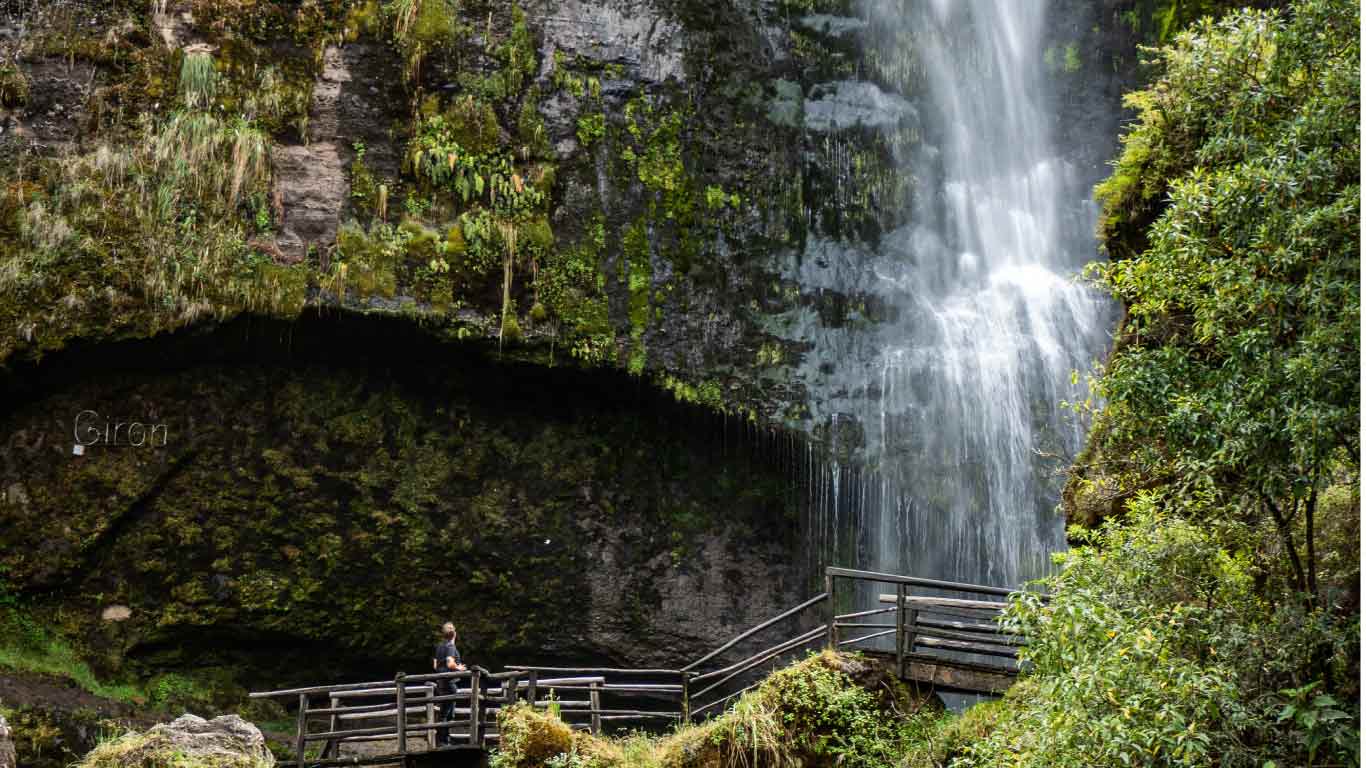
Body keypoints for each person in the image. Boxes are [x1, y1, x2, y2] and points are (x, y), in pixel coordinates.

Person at [431, 622, 466, 746]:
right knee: (447, 713)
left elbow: (435, 665)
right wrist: (459, 668)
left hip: (441, 682)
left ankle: (444, 739)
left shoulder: (439, 646)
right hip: (449, 683)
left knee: (445, 712)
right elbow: (450, 663)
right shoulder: (450, 646)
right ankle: (443, 741)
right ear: (454, 634)